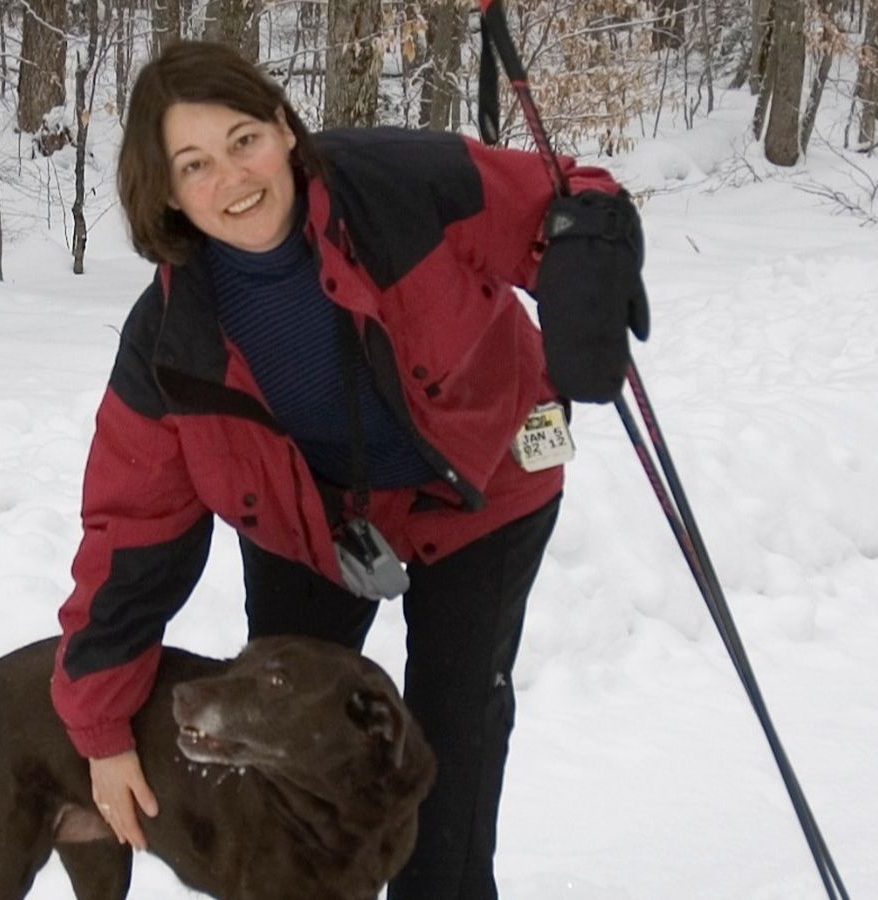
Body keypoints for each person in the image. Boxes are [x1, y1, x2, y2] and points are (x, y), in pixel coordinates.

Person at [51, 40, 648, 900]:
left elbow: (561, 200)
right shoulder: (171, 346)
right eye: (195, 164)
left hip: (485, 488)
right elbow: (129, 533)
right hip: (312, 527)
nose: (233, 178)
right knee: (284, 731)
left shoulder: (401, 185)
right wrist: (100, 723)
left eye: (245, 140)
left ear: (285, 129)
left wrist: (587, 261)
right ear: (168, 192)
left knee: (452, 734)